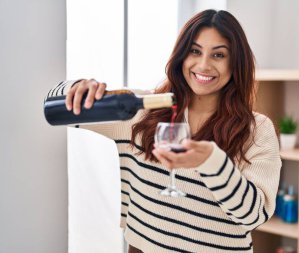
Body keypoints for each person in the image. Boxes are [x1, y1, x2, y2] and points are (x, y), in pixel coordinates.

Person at [46, 9, 281, 253]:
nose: (203, 65)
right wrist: (79, 88)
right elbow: (53, 108)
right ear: (181, 56)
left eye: (218, 55)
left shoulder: (256, 130)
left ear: (236, 62)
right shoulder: (141, 111)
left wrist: (213, 162)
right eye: (195, 51)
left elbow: (255, 216)